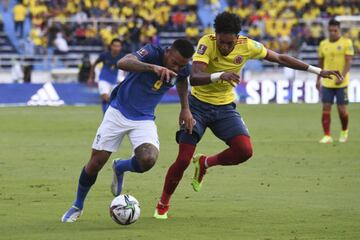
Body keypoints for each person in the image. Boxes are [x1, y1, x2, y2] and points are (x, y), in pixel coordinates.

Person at [154, 12, 343, 219]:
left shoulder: (248, 45)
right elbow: (195, 78)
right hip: (197, 106)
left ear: (238, 37)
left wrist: (317, 70)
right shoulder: (207, 43)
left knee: (244, 150)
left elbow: (280, 58)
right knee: (182, 160)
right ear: (216, 35)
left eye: (229, 43)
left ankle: (205, 163)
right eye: (222, 42)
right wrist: (220, 75)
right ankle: (163, 203)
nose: (225, 47)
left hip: (224, 108)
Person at [61, 39, 195, 222]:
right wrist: (152, 68)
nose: (178, 67)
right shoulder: (151, 52)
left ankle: (120, 166)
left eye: (182, 65)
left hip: (144, 118)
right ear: (168, 52)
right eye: (175, 62)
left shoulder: (182, 68)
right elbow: (122, 62)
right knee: (96, 163)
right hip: (118, 111)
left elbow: (182, 82)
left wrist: (185, 108)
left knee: (148, 159)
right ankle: (77, 205)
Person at [316, 19, 354, 143]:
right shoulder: (323, 44)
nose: (332, 33)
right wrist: (318, 79)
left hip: (342, 83)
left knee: (342, 110)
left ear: (339, 30)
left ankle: (344, 131)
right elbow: (320, 63)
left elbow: (348, 62)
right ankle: (327, 135)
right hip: (327, 82)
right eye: (330, 30)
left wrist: (341, 76)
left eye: (335, 30)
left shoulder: (346, 42)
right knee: (326, 108)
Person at [87, 38, 125, 113]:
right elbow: (94, 64)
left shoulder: (122, 56)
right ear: (111, 46)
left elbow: (126, 68)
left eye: (118, 46)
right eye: (115, 46)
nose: (116, 48)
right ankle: (115, 111)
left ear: (121, 47)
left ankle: (107, 114)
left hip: (114, 81)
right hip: (103, 79)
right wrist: (91, 77)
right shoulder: (104, 55)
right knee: (105, 96)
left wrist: (123, 77)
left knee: (110, 99)